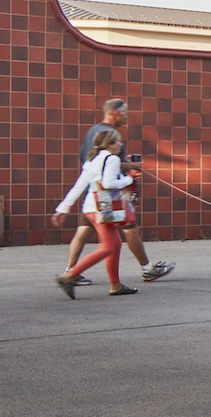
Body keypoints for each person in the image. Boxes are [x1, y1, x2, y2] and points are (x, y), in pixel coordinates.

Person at [61, 98, 173, 284]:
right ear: (116, 112)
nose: (127, 116)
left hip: (92, 194)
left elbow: (89, 162)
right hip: (108, 198)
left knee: (86, 232)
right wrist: (132, 169)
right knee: (127, 230)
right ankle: (146, 269)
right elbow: (109, 166)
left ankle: (73, 271)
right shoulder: (110, 134)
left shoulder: (92, 132)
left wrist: (64, 207)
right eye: (125, 112)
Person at [54, 127, 137, 296]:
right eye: (118, 141)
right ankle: (69, 276)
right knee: (107, 247)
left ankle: (116, 285)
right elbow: (108, 183)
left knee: (116, 244)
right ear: (110, 144)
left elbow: (79, 185)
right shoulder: (112, 159)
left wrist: (63, 208)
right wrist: (129, 179)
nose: (121, 144)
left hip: (91, 208)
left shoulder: (93, 160)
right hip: (104, 208)